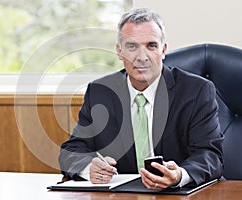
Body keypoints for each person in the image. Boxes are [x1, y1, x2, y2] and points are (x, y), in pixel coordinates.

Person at [59, 7, 223, 190]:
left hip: (179, 194)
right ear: (119, 52)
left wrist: (180, 175)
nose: (142, 57)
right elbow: (71, 152)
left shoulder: (196, 91)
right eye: (132, 46)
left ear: (163, 50)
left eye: (151, 46)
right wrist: (89, 168)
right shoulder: (100, 92)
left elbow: (210, 154)